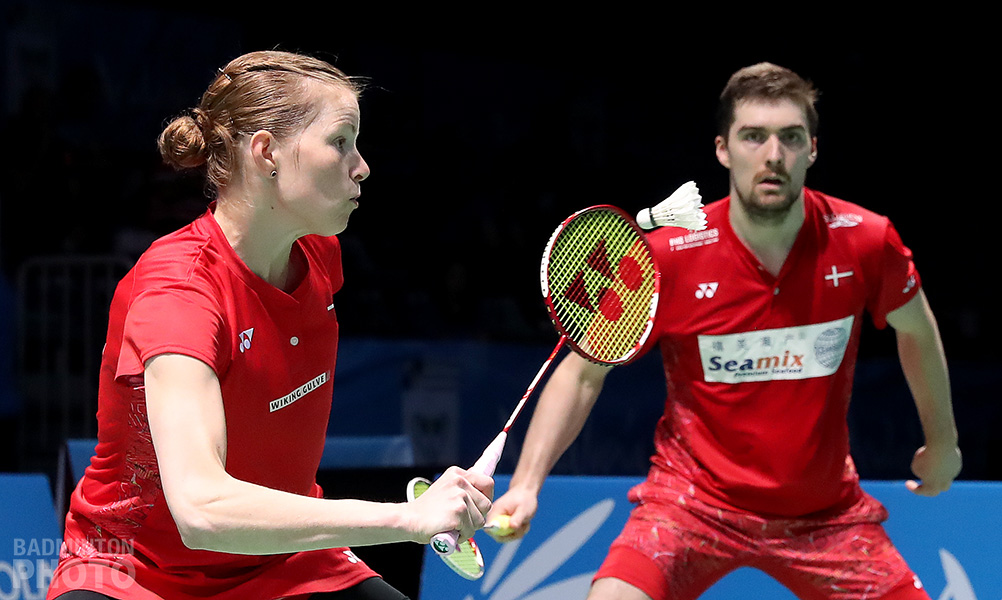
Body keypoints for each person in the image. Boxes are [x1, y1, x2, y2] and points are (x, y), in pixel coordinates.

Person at [488, 62, 961, 600]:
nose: (773, 155)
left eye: (790, 137)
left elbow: (917, 331)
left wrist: (943, 444)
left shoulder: (865, 240)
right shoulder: (668, 256)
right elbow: (583, 373)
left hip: (824, 515)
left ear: (812, 150)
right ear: (723, 150)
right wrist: (526, 485)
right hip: (691, 504)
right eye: (753, 136)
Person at [47, 50, 494, 600]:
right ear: (266, 153)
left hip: (286, 563)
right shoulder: (179, 292)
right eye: (340, 141)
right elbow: (202, 510)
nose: (362, 166)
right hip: (136, 572)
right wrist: (406, 518)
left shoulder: (319, 256)